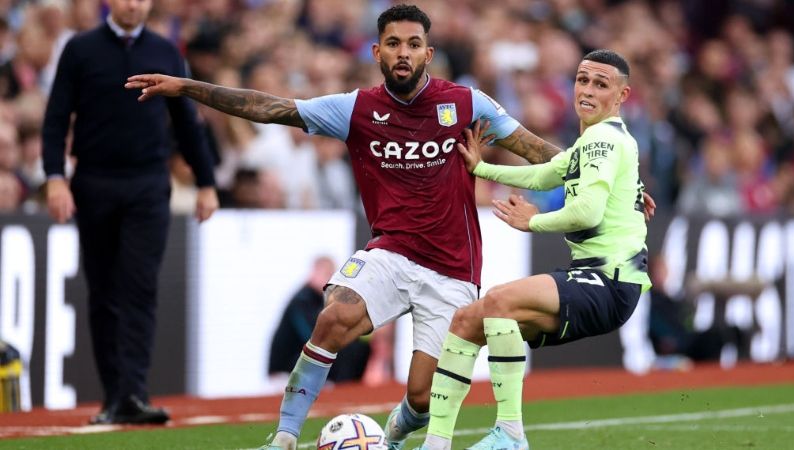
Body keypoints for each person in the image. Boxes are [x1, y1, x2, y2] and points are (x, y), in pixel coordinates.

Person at [125, 6, 653, 448]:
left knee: (422, 398)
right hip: (390, 252)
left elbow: (536, 150)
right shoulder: (355, 108)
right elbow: (271, 108)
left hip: (452, 269)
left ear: (429, 52)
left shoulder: (465, 103)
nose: (403, 52)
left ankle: (395, 438)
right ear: (376, 53)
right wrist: (187, 87)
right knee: (335, 318)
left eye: (414, 44)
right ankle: (284, 438)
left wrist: (614, 185)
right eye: (393, 43)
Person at [414, 49, 652, 450]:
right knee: (467, 321)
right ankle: (435, 443)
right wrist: (481, 169)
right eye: (582, 79)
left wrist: (533, 222)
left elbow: (587, 210)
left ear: (622, 95)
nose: (588, 90)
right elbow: (544, 174)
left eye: (601, 83)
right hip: (596, 280)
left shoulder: (603, 140)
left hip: (608, 281)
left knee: (498, 300)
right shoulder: (591, 144)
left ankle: (510, 432)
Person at [41, 0, 218, 425]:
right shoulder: (80, 49)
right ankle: (113, 398)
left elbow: (186, 121)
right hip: (95, 182)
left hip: (147, 184)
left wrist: (207, 182)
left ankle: (134, 394)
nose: (132, 4)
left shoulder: (165, 50)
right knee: (103, 292)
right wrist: (54, 176)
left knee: (139, 288)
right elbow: (55, 117)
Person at [268, 256, 371, 383]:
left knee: (356, 347)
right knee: (341, 349)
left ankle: (348, 390)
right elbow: (314, 335)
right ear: (314, 272)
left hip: (302, 365)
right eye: (326, 274)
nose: (329, 280)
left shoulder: (317, 300)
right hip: (285, 371)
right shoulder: (301, 301)